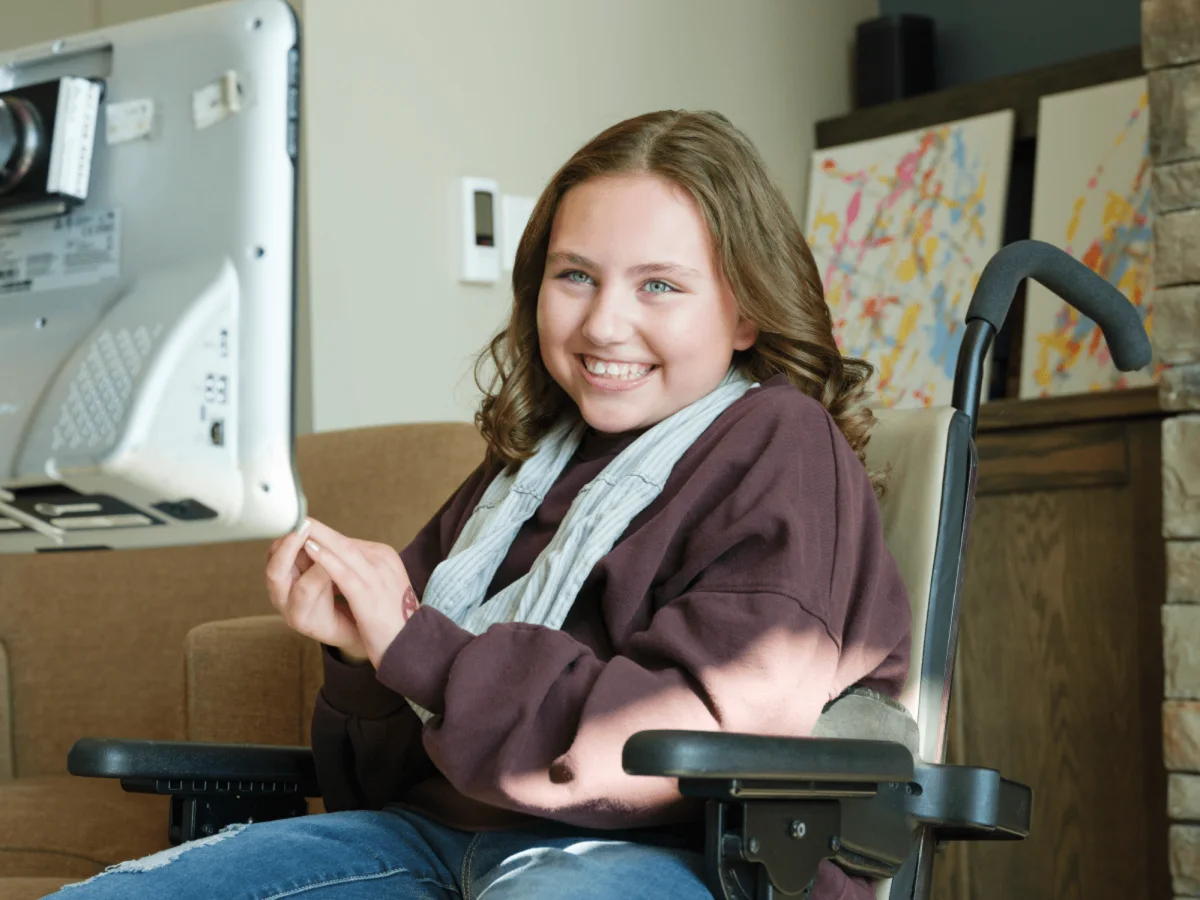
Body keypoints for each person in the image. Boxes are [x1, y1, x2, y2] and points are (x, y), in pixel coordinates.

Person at [51, 109, 911, 899]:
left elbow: (683, 737)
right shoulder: (525, 472)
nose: (605, 324)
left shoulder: (780, 443)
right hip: (428, 838)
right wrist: (359, 652)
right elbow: (381, 777)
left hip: (671, 858)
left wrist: (417, 648)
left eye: (659, 286)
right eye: (576, 275)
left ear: (746, 312)